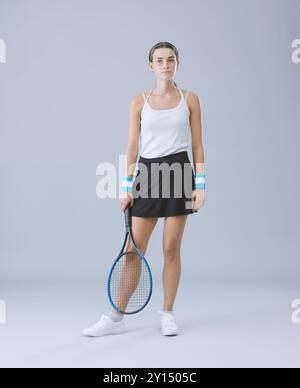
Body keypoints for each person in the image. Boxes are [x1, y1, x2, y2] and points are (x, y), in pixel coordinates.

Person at [82, 41, 205, 338]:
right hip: (147, 175)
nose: (165, 65)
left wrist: (200, 186)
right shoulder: (138, 101)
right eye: (159, 60)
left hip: (178, 173)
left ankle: (168, 313)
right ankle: (116, 317)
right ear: (151, 66)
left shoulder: (190, 99)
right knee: (133, 251)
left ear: (178, 63)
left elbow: (198, 145)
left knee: (170, 248)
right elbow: (132, 147)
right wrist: (126, 187)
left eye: (170, 60)